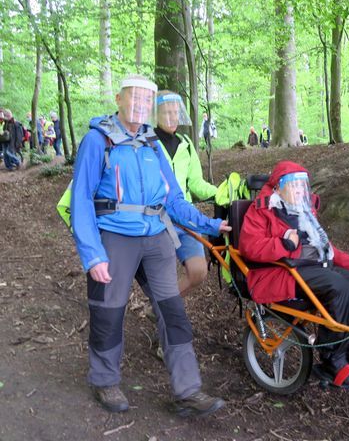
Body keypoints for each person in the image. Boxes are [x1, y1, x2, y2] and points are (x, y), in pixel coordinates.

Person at [70, 74, 231, 417]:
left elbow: (173, 199)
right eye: (135, 98)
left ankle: (188, 391)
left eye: (147, 100)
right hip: (114, 235)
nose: (141, 106)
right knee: (108, 310)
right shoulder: (98, 141)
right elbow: (81, 200)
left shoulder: (151, 145)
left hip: (156, 236)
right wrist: (92, 254)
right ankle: (104, 380)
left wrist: (211, 224)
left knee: (172, 311)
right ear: (119, 99)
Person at [239, 160, 349, 389]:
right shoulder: (262, 210)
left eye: (301, 186)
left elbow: (323, 245)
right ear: (277, 188)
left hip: (314, 267)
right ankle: (331, 360)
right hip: (282, 272)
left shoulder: (304, 211)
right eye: (292, 186)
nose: (298, 191)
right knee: (339, 288)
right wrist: (284, 243)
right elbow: (249, 247)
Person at [148, 90, 218, 297]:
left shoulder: (186, 145)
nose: (172, 117)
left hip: (184, 216)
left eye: (175, 112)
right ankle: (166, 316)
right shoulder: (147, 143)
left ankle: (162, 307)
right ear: (155, 114)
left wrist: (222, 193)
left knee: (198, 271)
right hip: (157, 219)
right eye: (166, 112)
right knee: (164, 275)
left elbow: (196, 183)